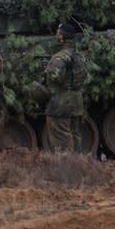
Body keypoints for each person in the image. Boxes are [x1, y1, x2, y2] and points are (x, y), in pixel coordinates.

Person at [43, 23, 89, 153]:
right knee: (76, 138)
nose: (56, 36)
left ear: (62, 37)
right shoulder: (80, 56)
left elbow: (55, 78)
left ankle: (66, 170)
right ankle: (80, 168)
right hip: (76, 103)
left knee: (61, 142)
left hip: (60, 105)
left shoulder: (60, 58)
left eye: (58, 33)